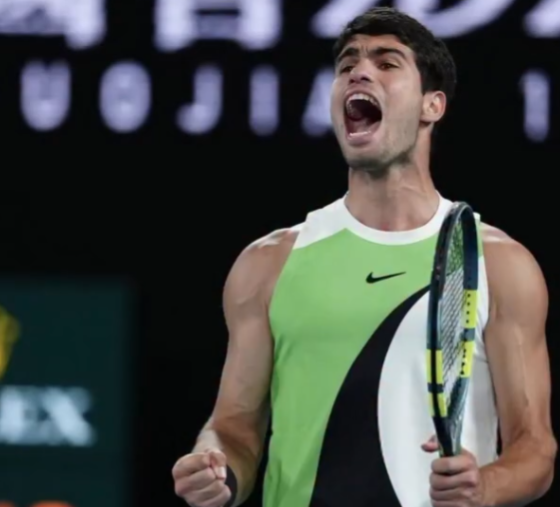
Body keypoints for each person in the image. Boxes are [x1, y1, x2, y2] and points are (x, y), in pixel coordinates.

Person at [172, 7, 556, 507]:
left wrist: (485, 487)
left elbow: (535, 448)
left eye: (387, 63)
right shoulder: (267, 264)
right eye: (347, 64)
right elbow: (234, 429)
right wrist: (215, 467)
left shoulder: (497, 264)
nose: (359, 72)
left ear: (432, 105)